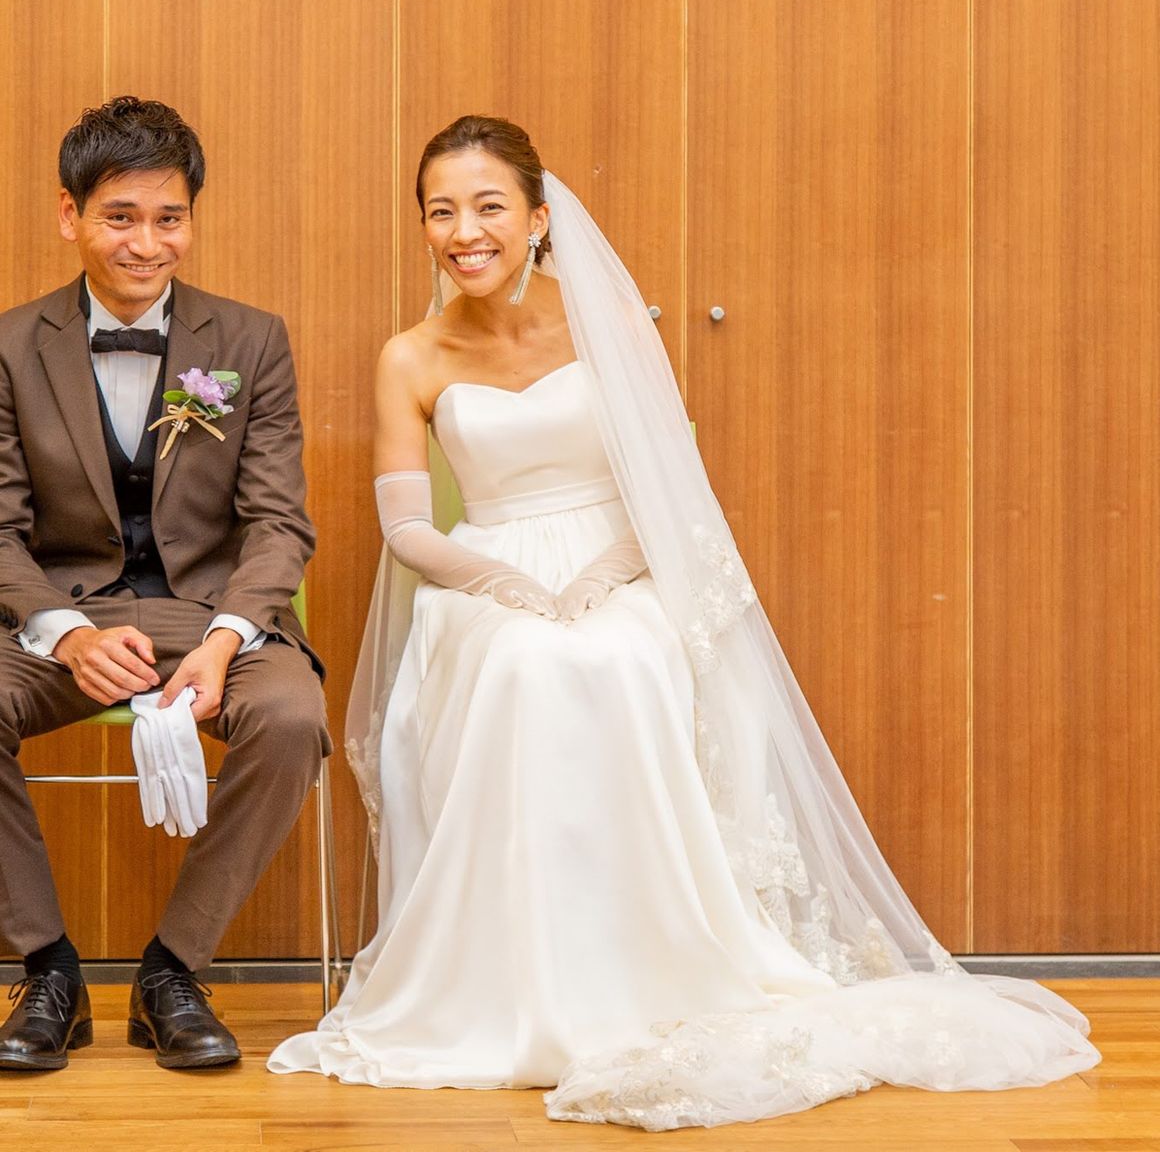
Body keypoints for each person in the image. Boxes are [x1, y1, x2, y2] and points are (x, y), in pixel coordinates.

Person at [269, 115, 1098, 1129]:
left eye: (488, 206)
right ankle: (515, 981)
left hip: (626, 557)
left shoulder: (609, 321)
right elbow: (406, 528)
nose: (464, 232)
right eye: (441, 212)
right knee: (525, 664)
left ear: (538, 217)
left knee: (619, 655)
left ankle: (654, 960)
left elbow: (670, 486)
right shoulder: (410, 355)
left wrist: (604, 572)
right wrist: (503, 583)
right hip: (482, 574)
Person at [0, 97, 330, 1071]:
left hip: (211, 619)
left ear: (191, 218)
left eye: (168, 218)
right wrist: (66, 634)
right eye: (120, 217)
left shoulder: (252, 340)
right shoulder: (10, 346)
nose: (147, 244)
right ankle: (48, 970)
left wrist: (227, 640)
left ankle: (172, 969)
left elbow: (278, 521)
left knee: (292, 717)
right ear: (70, 214)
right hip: (63, 622)